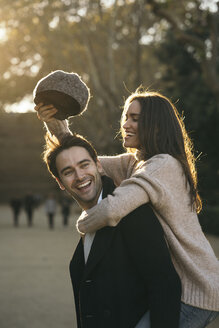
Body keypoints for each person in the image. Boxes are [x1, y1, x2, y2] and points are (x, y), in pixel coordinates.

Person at [35, 89, 219, 328]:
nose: (126, 124)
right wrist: (55, 124)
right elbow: (85, 164)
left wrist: (83, 224)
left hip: (196, 291)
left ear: (156, 125)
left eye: (135, 118)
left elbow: (112, 210)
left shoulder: (164, 165)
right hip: (178, 289)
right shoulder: (136, 163)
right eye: (125, 117)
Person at [43, 133, 181, 328]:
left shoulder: (131, 212)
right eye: (68, 172)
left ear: (99, 166)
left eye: (84, 165)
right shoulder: (89, 222)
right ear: (60, 183)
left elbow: (165, 286)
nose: (80, 176)